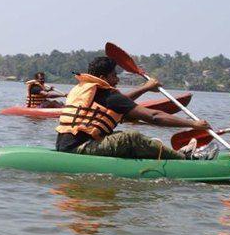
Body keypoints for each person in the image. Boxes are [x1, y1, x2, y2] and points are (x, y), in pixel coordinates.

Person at [56, 56, 214, 160]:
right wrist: (193, 124)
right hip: (80, 149)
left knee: (119, 136)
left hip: (64, 146)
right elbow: (154, 116)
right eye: (114, 75)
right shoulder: (108, 96)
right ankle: (184, 158)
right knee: (130, 138)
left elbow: (120, 102)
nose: (117, 79)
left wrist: (145, 88)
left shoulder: (86, 91)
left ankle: (169, 153)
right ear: (103, 78)